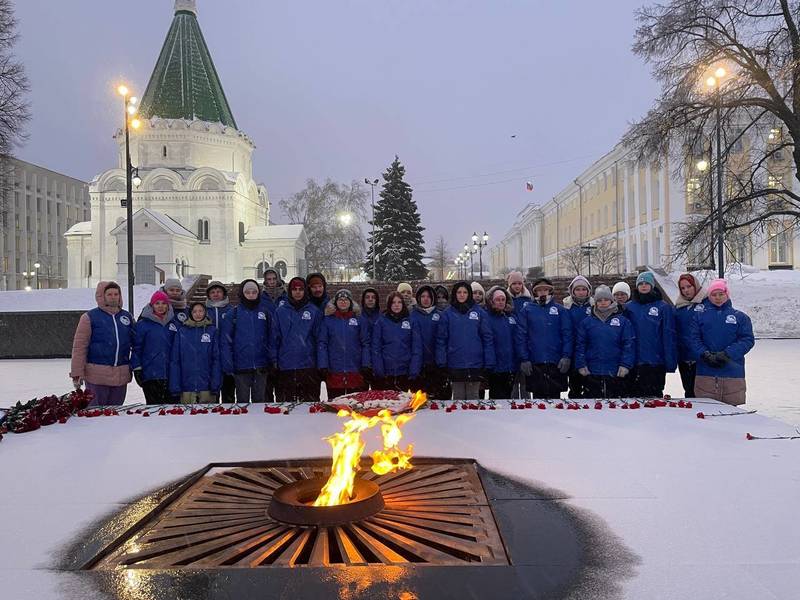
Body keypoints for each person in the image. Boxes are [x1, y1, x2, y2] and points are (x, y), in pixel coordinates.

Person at [70, 281, 135, 406]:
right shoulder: (90, 317)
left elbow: (136, 343)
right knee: (96, 415)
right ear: (102, 296)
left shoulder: (127, 317)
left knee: (115, 415)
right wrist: (77, 372)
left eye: (116, 294)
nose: (113, 297)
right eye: (109, 294)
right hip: (96, 376)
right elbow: (79, 347)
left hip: (120, 377)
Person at [690, 279, 755, 406]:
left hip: (732, 372)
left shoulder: (740, 317)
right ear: (709, 296)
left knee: (731, 412)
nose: (717, 298)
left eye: (721, 294)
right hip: (705, 372)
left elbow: (747, 339)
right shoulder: (699, 316)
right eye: (714, 295)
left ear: (727, 294)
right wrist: (705, 354)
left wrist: (727, 354)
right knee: (707, 410)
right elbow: (693, 339)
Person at [436, 281, 495, 400]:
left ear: (469, 294)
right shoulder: (447, 314)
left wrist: (489, 361)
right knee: (458, 398)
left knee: (473, 397)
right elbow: (441, 339)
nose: (462, 295)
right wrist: (441, 361)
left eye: (465, 292)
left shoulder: (479, 313)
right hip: (455, 363)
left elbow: (487, 338)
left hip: (475, 363)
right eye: (459, 292)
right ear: (455, 294)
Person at [575, 285, 635, 399]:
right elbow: (580, 345)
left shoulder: (623, 322)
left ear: (611, 301)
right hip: (592, 372)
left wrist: (625, 365)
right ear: (595, 302)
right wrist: (581, 364)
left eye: (606, 300)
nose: (603, 303)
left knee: (614, 407)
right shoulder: (586, 322)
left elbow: (628, 345)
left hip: (615, 371)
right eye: (599, 300)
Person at [517, 278, 573, 399]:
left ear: (550, 291)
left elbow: (567, 334)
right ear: (534, 292)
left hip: (556, 362)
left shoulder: (560, 310)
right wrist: (524, 358)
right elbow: (521, 336)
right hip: (535, 362)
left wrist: (566, 356)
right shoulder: (527, 310)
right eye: (539, 290)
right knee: (538, 400)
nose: (543, 292)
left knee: (555, 399)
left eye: (546, 289)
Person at [220, 279, 273, 403]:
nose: (250, 294)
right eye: (247, 292)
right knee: (242, 402)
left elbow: (271, 337)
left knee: (260, 402)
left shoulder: (264, 312)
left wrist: (271, 358)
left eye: (254, 292)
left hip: (261, 365)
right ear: (242, 293)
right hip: (241, 366)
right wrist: (228, 362)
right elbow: (226, 341)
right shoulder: (233, 313)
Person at [625, 272, 677, 398]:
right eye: (641, 283)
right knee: (634, 399)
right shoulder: (629, 307)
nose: (643, 286)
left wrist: (670, 361)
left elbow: (668, 335)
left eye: (646, 283)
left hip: (655, 362)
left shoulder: (663, 307)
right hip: (634, 362)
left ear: (652, 286)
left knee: (654, 398)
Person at [272, 277, 323, 402]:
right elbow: (274, 338)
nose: (298, 292)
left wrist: (321, 363)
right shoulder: (280, 312)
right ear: (290, 291)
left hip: (308, 366)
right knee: (286, 407)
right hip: (286, 366)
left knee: (309, 407)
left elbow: (320, 339)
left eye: (301, 289)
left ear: (305, 291)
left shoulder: (313, 311)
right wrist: (273, 360)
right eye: (294, 289)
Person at [318, 289, 371, 398]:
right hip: (334, 371)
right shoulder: (328, 321)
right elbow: (322, 344)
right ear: (336, 302)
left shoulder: (359, 320)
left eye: (346, 299)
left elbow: (366, 343)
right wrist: (323, 365)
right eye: (340, 299)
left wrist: (366, 364)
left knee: (355, 407)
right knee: (336, 407)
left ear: (351, 302)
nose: (343, 302)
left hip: (355, 370)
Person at [169, 302, 221, 404]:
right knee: (188, 418)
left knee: (208, 416)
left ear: (205, 312)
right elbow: (175, 360)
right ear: (190, 313)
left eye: (200, 311)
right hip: (187, 386)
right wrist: (175, 385)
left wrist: (215, 383)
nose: (198, 314)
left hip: (206, 386)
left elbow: (216, 359)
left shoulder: (212, 331)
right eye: (195, 311)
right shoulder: (182, 332)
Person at [131, 290, 177, 405]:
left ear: (168, 305)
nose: (160, 306)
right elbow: (137, 349)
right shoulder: (142, 325)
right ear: (152, 306)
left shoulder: (174, 324)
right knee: (154, 410)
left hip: (172, 374)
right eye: (157, 303)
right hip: (151, 374)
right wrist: (137, 368)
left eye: (163, 303)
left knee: (172, 411)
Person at [372, 291, 422, 391]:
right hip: (386, 372)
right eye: (393, 302)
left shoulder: (411, 321)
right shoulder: (381, 322)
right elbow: (376, 347)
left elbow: (416, 347)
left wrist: (414, 368)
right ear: (389, 304)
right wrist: (379, 369)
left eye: (399, 302)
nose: (396, 305)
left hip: (405, 372)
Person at [484, 286, 523, 399]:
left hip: (510, 365)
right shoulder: (487, 317)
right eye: (497, 300)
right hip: (495, 367)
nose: (501, 302)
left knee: (508, 397)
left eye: (503, 299)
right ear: (492, 301)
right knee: (497, 397)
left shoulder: (511, 317)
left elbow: (517, 339)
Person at [411, 285, 449, 398]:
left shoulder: (440, 315)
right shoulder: (412, 315)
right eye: (423, 296)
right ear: (418, 298)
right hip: (418, 365)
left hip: (437, 364)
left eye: (428, 296)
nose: (426, 299)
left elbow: (445, 339)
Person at [674, 273, 706, 398]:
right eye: (683, 288)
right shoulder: (679, 307)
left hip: (702, 358)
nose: (686, 291)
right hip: (684, 358)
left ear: (695, 286)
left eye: (689, 286)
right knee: (689, 393)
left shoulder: (706, 304)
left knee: (703, 395)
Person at [562, 275, 593, 399]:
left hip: (590, 351)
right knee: (574, 386)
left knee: (589, 385)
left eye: (583, 289)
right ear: (572, 291)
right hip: (573, 351)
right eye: (578, 289)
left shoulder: (594, 306)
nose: (581, 292)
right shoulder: (566, 307)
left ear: (588, 291)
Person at [205, 281, 235, 402]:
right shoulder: (204, 311)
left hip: (228, 355)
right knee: (213, 392)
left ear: (223, 293)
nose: (216, 294)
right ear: (208, 295)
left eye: (218, 292)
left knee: (229, 393)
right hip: (210, 357)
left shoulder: (231, 310)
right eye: (212, 292)